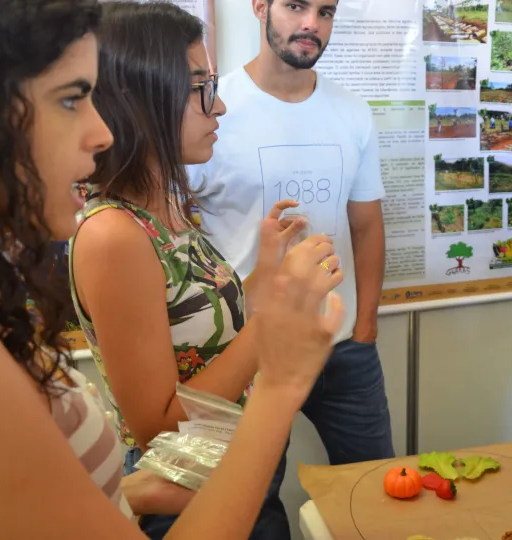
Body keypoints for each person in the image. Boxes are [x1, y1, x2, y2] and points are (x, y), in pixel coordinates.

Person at [0, 1, 345, 538]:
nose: (101, 132)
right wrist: (279, 376)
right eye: (72, 99)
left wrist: (127, 493)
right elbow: (155, 423)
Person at [68, 3, 333, 538]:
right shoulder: (114, 234)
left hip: (235, 467)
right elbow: (159, 428)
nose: (221, 107)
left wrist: (268, 271)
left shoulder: (165, 205)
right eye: (201, 88)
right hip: (183, 494)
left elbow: (211, 332)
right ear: (143, 100)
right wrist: (275, 326)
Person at [187, 0, 394, 537]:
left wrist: (365, 327)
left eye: (325, 11)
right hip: (249, 350)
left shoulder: (352, 111)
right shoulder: (212, 110)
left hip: (342, 348)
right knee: (252, 508)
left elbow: (367, 225)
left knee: (375, 491)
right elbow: (177, 233)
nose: (311, 24)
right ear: (260, 6)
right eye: (296, 6)